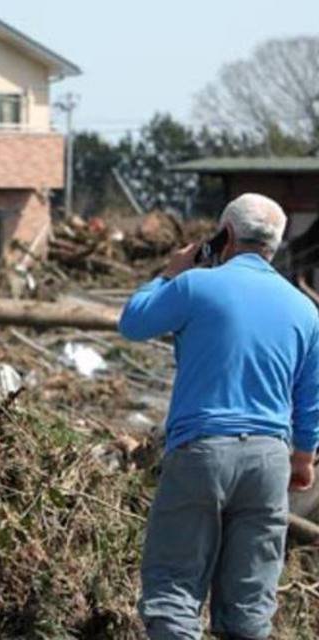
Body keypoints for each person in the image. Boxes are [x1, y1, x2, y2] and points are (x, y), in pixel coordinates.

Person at [118, 193, 319, 640]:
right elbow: (310, 397)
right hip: (269, 459)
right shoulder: (305, 310)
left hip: (201, 451)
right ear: (275, 244)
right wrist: (303, 456)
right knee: (249, 603)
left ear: (224, 235)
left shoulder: (194, 287)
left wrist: (171, 273)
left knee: (174, 588)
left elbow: (132, 322)